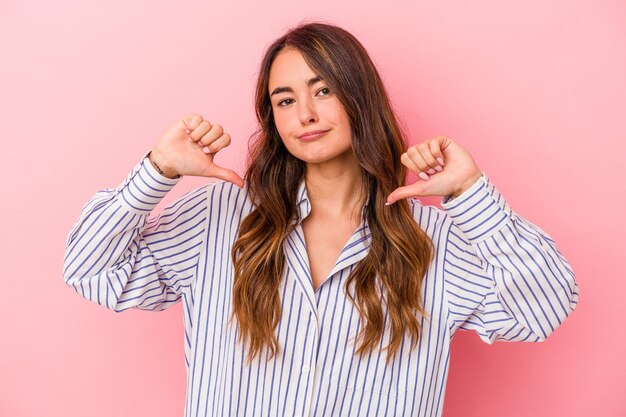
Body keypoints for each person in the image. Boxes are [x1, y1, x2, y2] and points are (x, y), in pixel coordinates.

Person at [63, 22, 579, 417]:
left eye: (323, 90)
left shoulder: (432, 241)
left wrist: (470, 193)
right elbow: (92, 271)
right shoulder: (217, 219)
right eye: (284, 100)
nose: (305, 113)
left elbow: (543, 310)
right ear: (275, 120)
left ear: (360, 96)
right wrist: (157, 171)